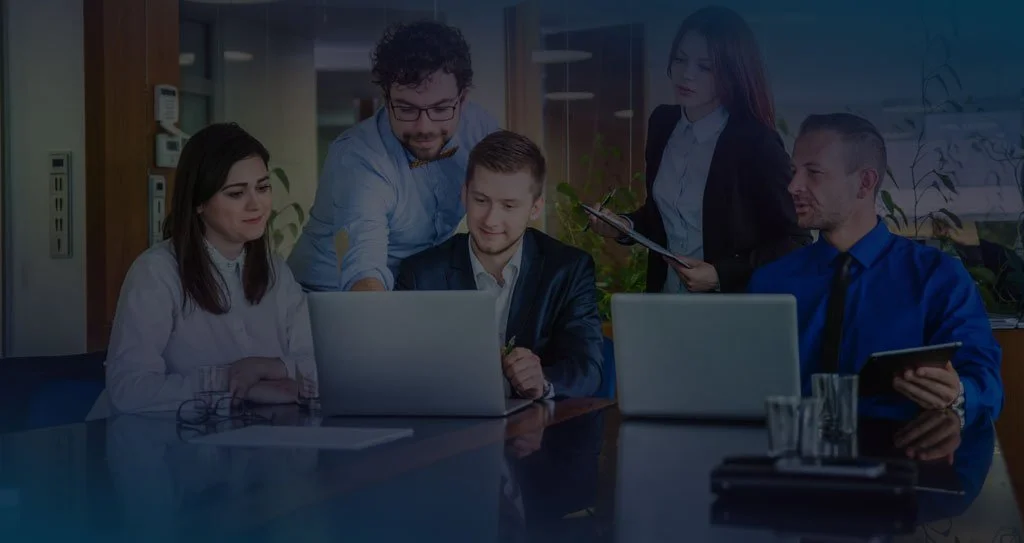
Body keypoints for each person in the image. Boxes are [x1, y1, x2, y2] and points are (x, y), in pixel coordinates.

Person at [748, 112, 1003, 423]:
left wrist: (958, 393)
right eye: (794, 172)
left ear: (864, 183)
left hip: (904, 447)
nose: (793, 186)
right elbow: (744, 384)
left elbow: (986, 385)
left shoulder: (937, 277)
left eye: (813, 172)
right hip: (793, 449)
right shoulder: (770, 283)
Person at [588, 5, 810, 293]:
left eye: (705, 66)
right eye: (680, 59)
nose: (686, 74)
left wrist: (721, 274)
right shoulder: (662, 123)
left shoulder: (756, 142)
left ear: (732, 72)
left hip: (729, 306)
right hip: (665, 298)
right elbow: (664, 217)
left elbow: (796, 239)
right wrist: (624, 226)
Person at [100, 123, 315, 414]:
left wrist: (268, 368)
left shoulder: (276, 270)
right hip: (160, 436)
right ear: (199, 202)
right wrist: (236, 386)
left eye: (263, 188)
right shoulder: (157, 272)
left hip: (259, 432)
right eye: (236, 193)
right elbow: (129, 389)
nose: (256, 205)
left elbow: (319, 362)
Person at [287, 20, 501, 292]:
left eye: (440, 109)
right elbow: (364, 269)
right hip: (326, 297)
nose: (424, 128)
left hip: (409, 291)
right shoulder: (360, 158)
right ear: (386, 99)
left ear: (463, 99)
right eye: (407, 109)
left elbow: (512, 199)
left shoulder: (479, 129)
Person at [395, 130, 603, 399]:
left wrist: (543, 380)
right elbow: (400, 370)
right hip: (447, 419)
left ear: (535, 208)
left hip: (539, 422)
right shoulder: (419, 274)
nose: (491, 220)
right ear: (464, 195)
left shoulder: (569, 269)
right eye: (481, 200)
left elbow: (587, 369)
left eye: (509, 206)